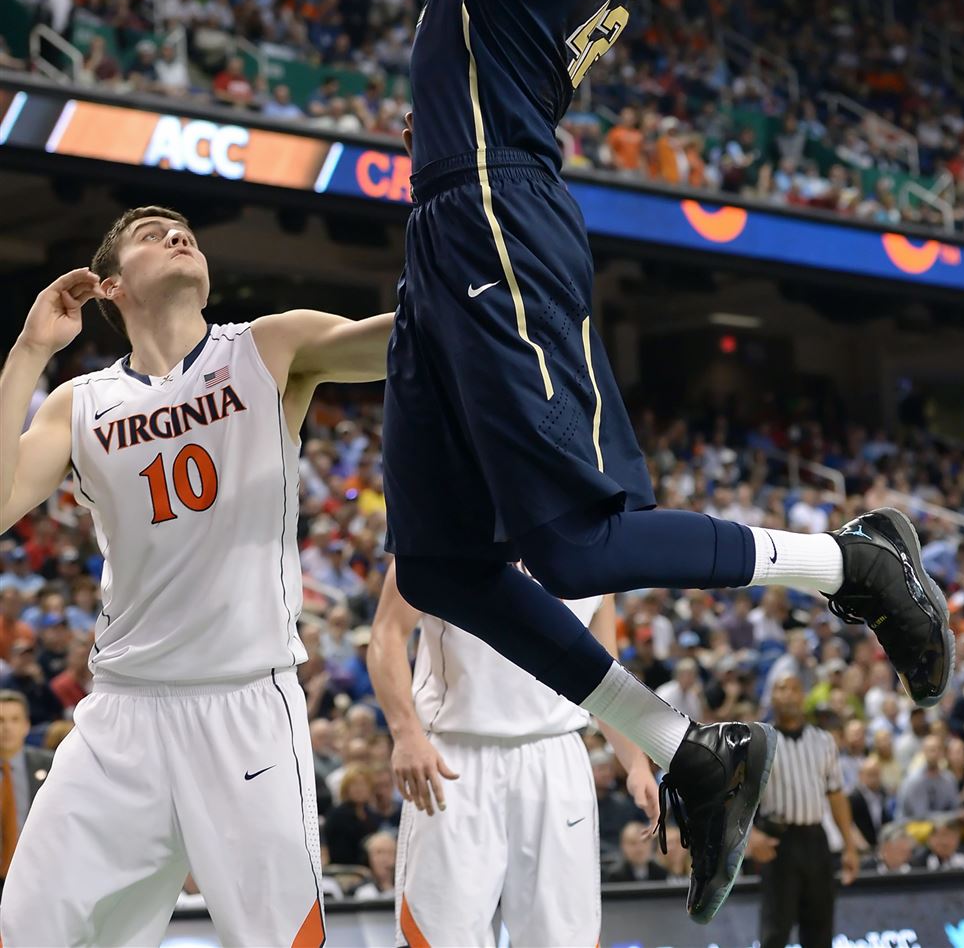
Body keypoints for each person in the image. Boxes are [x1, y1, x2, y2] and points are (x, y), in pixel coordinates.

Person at [382, 0, 952, 927]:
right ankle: (687, 749)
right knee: (442, 563)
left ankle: (854, 563)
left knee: (578, 546)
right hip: (453, 225)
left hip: (496, 213)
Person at [0, 206, 394, 947]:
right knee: (27, 928)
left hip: (245, 701)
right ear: (111, 286)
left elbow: (398, 341)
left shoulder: (267, 346)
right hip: (123, 711)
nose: (177, 236)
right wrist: (28, 352)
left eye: (184, 231)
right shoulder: (79, 402)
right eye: (150, 235)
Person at [367, 563, 657, 948]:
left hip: (556, 754)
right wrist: (405, 734)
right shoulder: (432, 532)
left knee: (563, 938)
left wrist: (636, 762)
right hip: (456, 754)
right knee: (441, 934)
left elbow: (606, 670)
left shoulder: (590, 545)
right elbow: (387, 633)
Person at [750, 675, 859, 948]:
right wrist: (751, 835)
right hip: (778, 842)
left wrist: (849, 846)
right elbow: (736, 797)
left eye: (794, 689)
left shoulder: (824, 741)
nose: (788, 694)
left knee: (820, 931)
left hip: (816, 840)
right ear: (772, 697)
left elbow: (836, 795)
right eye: (781, 689)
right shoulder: (758, 741)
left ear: (803, 696)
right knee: (775, 932)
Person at [0, 691, 54, 893]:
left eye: (15, 720)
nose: (7, 727)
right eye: (1, 720)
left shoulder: (50, 765)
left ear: (26, 725)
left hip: (36, 875)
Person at [604, 821, 669, 883]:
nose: (639, 849)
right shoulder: (615, 875)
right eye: (633, 843)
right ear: (623, 846)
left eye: (644, 842)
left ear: (652, 845)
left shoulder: (661, 872)